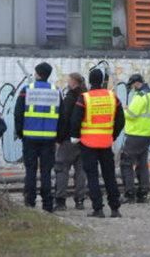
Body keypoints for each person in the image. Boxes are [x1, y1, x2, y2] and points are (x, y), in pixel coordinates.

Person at [71, 68, 123, 218]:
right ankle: (115, 209)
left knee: (92, 176)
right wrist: (112, 135)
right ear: (102, 80)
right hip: (106, 143)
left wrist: (75, 137)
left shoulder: (84, 98)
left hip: (88, 143)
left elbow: (75, 120)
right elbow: (121, 120)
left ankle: (98, 209)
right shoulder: (112, 97)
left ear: (89, 80)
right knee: (109, 175)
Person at [15, 62, 61, 212]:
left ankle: (30, 201)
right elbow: (62, 115)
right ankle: (47, 204)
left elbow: (18, 113)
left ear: (38, 74)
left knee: (31, 170)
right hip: (49, 138)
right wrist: (58, 136)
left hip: (30, 137)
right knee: (46, 172)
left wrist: (20, 132)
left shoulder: (27, 90)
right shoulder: (56, 91)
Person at [120, 73, 150, 204]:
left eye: (132, 85)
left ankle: (129, 194)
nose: (132, 88)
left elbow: (132, 115)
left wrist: (124, 110)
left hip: (135, 134)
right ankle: (143, 193)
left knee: (126, 163)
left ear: (136, 83)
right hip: (147, 134)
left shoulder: (140, 96)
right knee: (142, 164)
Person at [54, 72, 87, 210]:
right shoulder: (86, 96)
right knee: (81, 171)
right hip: (85, 139)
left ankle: (60, 201)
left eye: (69, 80)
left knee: (62, 169)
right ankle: (80, 201)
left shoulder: (70, 98)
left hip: (68, 140)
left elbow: (64, 119)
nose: (67, 83)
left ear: (74, 82)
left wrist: (59, 138)